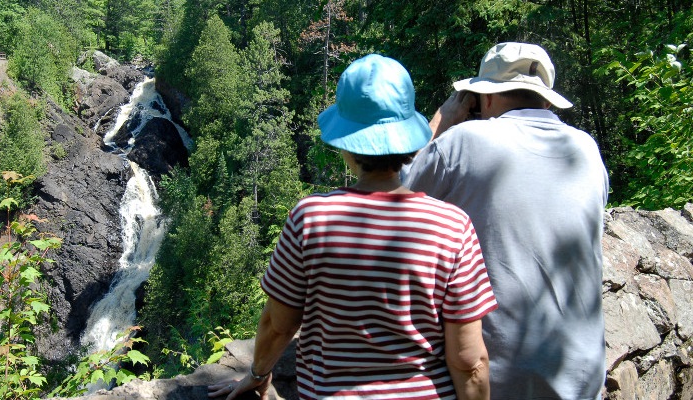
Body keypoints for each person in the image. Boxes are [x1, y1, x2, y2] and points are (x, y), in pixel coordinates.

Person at [208, 54, 498, 400]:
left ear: (346, 143)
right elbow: (470, 361)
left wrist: (258, 373)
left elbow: (278, 325)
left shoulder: (311, 217)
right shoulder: (453, 226)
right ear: (408, 137)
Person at [403, 42, 609, 400]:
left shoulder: (464, 140)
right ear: (546, 99)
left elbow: (395, 198)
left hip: (497, 379)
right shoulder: (587, 150)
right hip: (582, 374)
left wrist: (443, 121)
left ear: (485, 98)